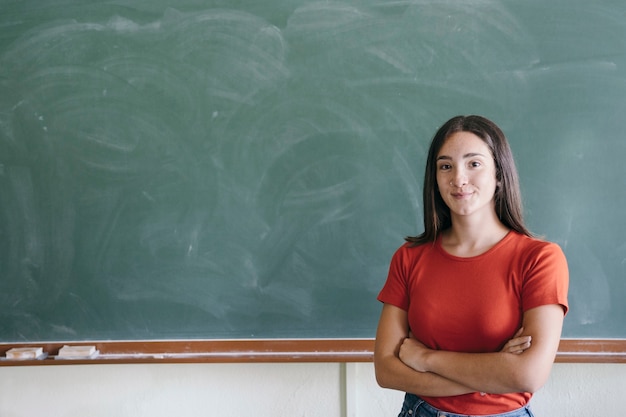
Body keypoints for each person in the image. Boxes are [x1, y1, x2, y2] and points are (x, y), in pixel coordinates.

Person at [374, 115, 569, 417]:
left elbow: (527, 375)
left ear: (499, 174)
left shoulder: (539, 259)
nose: (458, 179)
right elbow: (386, 370)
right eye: (445, 166)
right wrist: (492, 372)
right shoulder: (410, 257)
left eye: (473, 164)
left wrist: (425, 358)